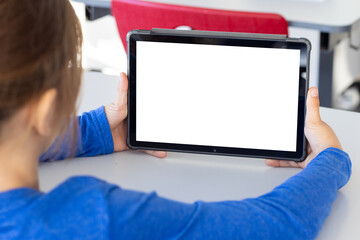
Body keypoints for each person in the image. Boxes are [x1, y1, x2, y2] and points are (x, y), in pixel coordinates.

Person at [0, 0, 351, 239]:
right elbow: (272, 227)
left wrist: (98, 130)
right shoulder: (93, 218)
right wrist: (329, 160)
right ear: (46, 112)